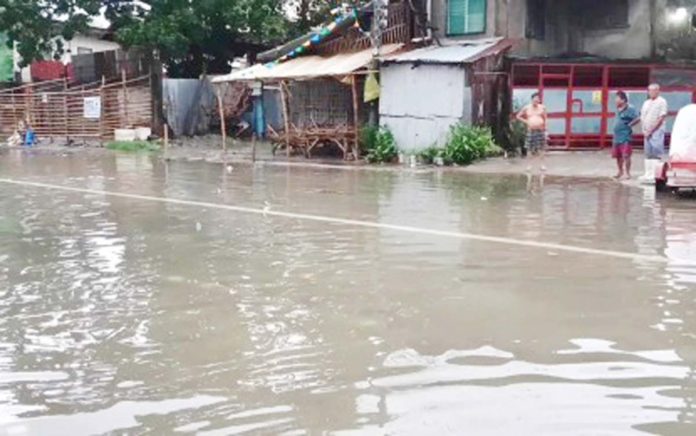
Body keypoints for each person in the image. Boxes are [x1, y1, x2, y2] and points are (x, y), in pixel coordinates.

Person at [639, 83, 668, 183]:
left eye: (653, 90)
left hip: (657, 130)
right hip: (646, 131)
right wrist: (644, 130)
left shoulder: (662, 101)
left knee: (656, 152)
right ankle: (647, 173)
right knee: (648, 152)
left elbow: (661, 117)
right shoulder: (646, 102)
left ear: (658, 91)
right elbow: (642, 116)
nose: (651, 92)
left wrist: (651, 130)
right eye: (649, 90)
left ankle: (654, 174)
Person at [516, 92, 547, 172]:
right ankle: (529, 165)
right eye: (535, 99)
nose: (536, 101)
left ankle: (542, 165)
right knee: (529, 148)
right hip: (531, 130)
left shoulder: (542, 108)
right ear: (532, 100)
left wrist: (546, 130)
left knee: (541, 148)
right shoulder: (527, 108)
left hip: (540, 130)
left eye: (537, 99)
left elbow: (545, 119)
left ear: (539, 100)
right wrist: (526, 121)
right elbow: (518, 116)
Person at [612, 91, 640, 180]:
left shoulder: (630, 108)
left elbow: (638, 118)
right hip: (617, 136)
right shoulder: (618, 108)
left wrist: (629, 125)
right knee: (618, 155)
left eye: (617, 98)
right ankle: (620, 171)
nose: (615, 100)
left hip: (625, 135)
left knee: (626, 155)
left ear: (623, 100)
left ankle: (628, 173)